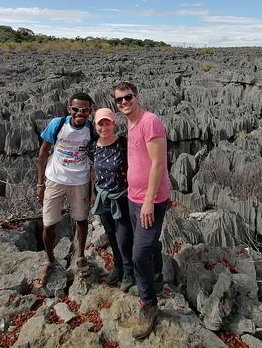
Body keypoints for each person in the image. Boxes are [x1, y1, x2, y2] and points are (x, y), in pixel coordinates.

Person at [112, 81, 170, 340]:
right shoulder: (131, 123)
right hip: (134, 197)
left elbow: (159, 163)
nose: (124, 102)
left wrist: (148, 200)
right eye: (119, 100)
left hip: (151, 201)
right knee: (148, 245)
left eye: (128, 97)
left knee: (138, 254)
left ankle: (148, 304)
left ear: (137, 96)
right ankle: (156, 277)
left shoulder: (150, 121)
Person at [36, 92, 96, 284]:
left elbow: (95, 158)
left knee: (81, 219)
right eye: (76, 109)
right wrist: (40, 183)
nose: (80, 113)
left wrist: (93, 188)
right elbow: (43, 153)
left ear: (90, 111)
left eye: (84, 110)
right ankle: (50, 259)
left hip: (79, 181)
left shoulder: (91, 129)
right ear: (69, 109)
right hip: (54, 179)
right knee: (49, 223)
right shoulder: (58, 124)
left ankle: (80, 256)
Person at [90, 107, 135, 293]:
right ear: (95, 125)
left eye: (107, 122)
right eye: (100, 123)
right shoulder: (92, 147)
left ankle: (129, 272)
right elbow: (91, 171)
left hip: (122, 198)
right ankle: (118, 268)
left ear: (114, 124)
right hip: (103, 199)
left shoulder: (123, 143)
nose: (104, 127)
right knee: (111, 235)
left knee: (124, 237)